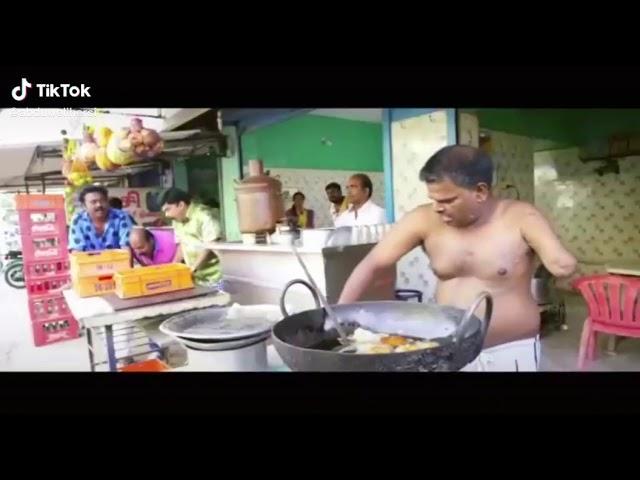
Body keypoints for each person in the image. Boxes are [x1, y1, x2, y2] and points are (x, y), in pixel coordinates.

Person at [337, 145, 577, 371]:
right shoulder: (423, 219)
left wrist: (561, 263)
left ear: (480, 191)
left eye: (447, 200)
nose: (438, 208)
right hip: (448, 348)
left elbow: (559, 262)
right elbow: (372, 264)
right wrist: (336, 318)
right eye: (434, 199)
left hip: (510, 349)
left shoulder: (522, 217)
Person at [160, 188, 222, 285]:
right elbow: (182, 244)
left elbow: (210, 246)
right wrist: (173, 266)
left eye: (168, 209)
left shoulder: (204, 216)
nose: (167, 215)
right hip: (198, 278)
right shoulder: (176, 221)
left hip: (216, 277)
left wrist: (193, 268)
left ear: (181, 205)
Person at [69, 185, 134, 252]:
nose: (99, 205)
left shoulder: (121, 217)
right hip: (88, 261)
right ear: (84, 206)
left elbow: (126, 248)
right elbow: (76, 250)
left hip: (119, 261)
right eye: (93, 202)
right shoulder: (78, 220)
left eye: (102, 200)